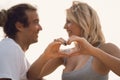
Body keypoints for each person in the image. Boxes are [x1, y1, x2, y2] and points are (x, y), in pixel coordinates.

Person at [35, 1, 120, 80]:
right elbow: (31, 76)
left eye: (68, 22)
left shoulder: (106, 48)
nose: (64, 27)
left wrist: (93, 51)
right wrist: (46, 54)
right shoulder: (65, 55)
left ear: (83, 22)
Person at [0, 3, 66, 80]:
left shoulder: (17, 53)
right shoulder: (9, 49)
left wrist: (47, 55)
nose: (40, 28)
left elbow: (32, 77)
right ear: (19, 26)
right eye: (35, 22)